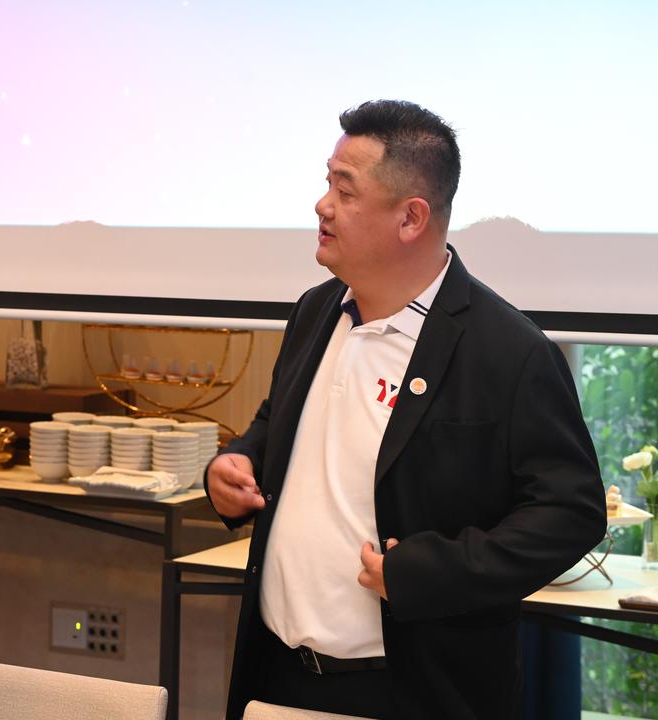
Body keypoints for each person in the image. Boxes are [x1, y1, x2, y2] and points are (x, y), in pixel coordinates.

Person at [206, 100, 606, 720]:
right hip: (278, 674)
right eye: (327, 183)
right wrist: (238, 461)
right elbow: (276, 423)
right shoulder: (315, 311)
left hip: (411, 689)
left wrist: (429, 572)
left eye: (345, 191)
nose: (322, 205)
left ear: (411, 217)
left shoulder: (510, 352)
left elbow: (570, 515)